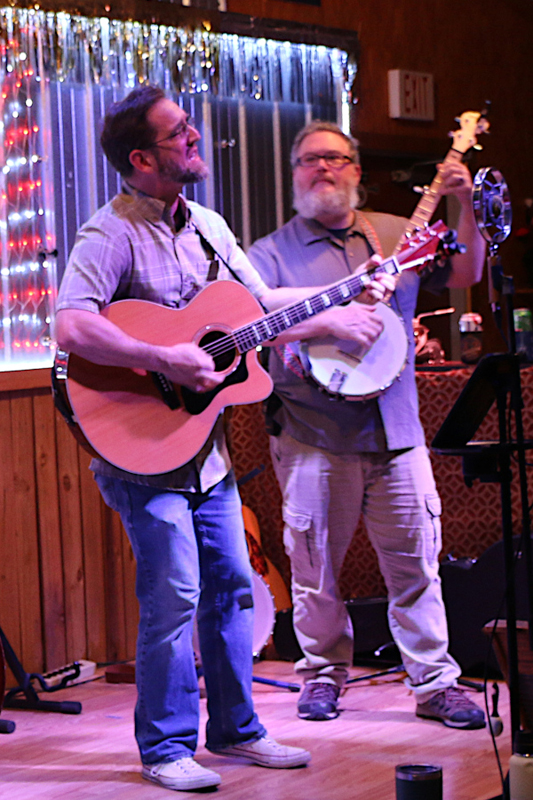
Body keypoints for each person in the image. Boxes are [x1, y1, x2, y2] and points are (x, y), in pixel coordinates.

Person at [54, 89, 391, 793]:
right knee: (175, 593)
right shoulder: (108, 232)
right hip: (141, 448)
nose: (197, 137)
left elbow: (253, 306)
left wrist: (340, 297)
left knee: (234, 588)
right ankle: (166, 747)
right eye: (180, 133)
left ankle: (236, 730)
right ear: (143, 158)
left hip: (203, 447)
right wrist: (162, 359)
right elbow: (72, 326)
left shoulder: (205, 223)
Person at [247, 119, 487, 729]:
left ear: (356, 168)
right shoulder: (268, 255)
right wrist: (321, 330)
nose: (321, 168)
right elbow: (252, 326)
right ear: (295, 175)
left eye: (334, 158)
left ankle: (435, 684)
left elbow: (465, 274)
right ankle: (323, 675)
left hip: (397, 430)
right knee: (316, 571)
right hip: (312, 433)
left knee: (416, 567)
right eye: (308, 161)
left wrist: (463, 202)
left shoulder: (395, 234)